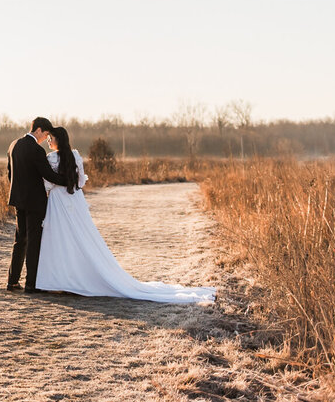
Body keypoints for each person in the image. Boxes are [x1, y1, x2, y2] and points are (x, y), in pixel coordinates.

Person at [35, 126, 216, 304]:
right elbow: (81, 182)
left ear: (57, 140)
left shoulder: (51, 158)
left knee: (60, 238)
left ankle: (61, 279)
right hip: (75, 200)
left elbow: (48, 184)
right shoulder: (74, 155)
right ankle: (78, 275)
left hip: (59, 202)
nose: (49, 141)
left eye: (51, 138)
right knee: (83, 237)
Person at [6, 117, 70, 293]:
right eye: (46, 134)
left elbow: (10, 174)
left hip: (18, 200)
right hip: (35, 202)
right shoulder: (36, 150)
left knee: (20, 240)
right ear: (39, 130)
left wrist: (19, 190)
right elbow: (48, 175)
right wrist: (68, 181)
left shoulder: (14, 145)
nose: (46, 138)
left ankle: (12, 281)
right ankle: (31, 284)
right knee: (34, 242)